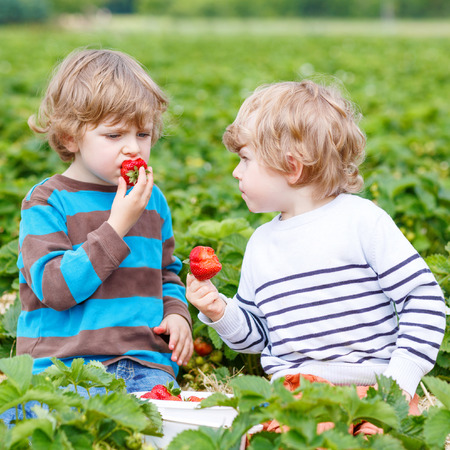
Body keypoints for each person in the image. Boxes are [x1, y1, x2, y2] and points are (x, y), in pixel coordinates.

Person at [186, 80, 446, 408]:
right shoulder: (260, 244)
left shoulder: (362, 221)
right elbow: (256, 336)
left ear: (293, 168)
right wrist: (219, 310)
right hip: (295, 396)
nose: (236, 172)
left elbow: (423, 298)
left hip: (375, 390)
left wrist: (401, 380)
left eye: (245, 159)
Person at [15, 48, 193, 392]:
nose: (133, 148)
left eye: (142, 135)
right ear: (70, 136)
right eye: (114, 135)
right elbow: (56, 290)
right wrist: (117, 227)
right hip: (64, 367)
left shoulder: (151, 198)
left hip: (144, 363)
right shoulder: (47, 202)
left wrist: (175, 313)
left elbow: (165, 272)